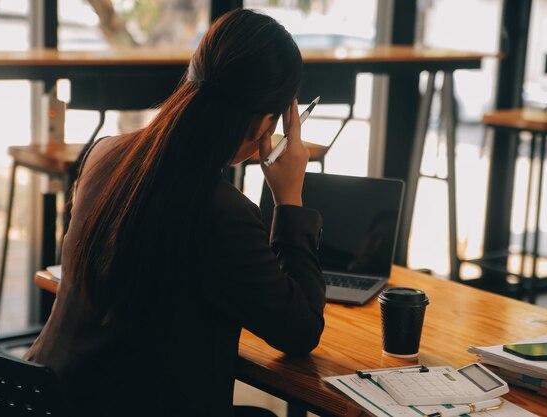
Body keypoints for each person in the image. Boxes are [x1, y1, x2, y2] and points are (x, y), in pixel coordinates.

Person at [24, 8, 325, 417]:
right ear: (265, 123)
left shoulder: (104, 154)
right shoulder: (224, 213)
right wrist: (289, 198)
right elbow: (301, 330)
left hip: (41, 400)